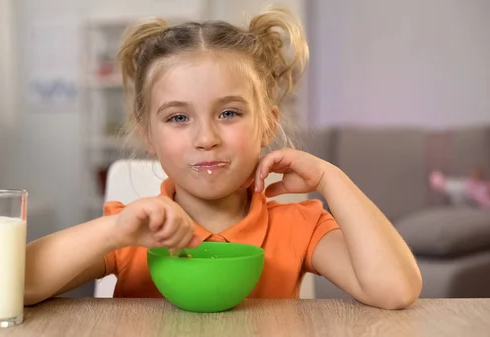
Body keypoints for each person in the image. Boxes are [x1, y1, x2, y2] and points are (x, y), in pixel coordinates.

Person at [24, 6, 422, 309]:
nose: (206, 138)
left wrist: (333, 180)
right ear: (147, 134)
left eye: (229, 113)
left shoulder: (299, 226)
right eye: (178, 117)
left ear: (267, 125)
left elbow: (395, 290)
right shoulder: (132, 231)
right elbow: (14, 285)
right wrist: (114, 232)